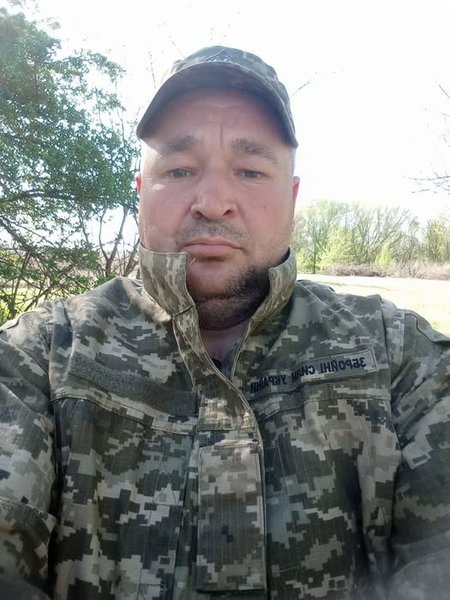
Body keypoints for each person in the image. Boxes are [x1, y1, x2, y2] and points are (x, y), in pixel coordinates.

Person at [0, 45, 449, 600]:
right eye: (179, 170)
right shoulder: (39, 358)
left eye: (251, 170)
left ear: (291, 197)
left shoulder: (400, 358)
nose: (213, 202)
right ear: (141, 193)